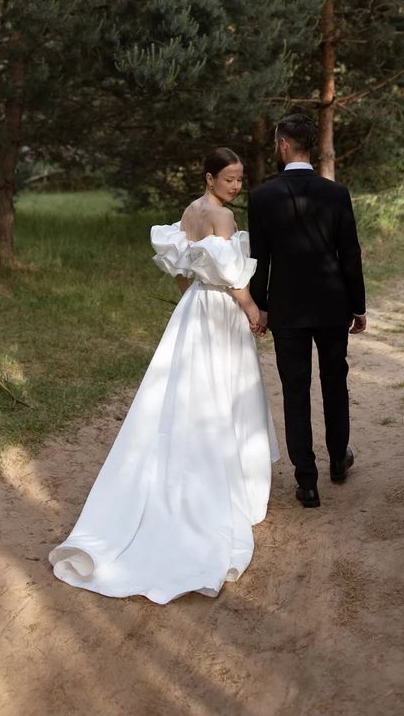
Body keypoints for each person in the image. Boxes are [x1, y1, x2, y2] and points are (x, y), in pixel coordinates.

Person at [49, 148, 279, 604]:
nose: (236, 187)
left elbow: (181, 268)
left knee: (190, 393)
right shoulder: (224, 219)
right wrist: (252, 309)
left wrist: (193, 295)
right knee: (225, 393)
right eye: (230, 179)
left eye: (239, 180)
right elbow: (235, 279)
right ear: (210, 177)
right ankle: (230, 487)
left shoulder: (190, 211)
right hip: (220, 312)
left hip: (194, 307)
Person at [247, 114, 366, 509]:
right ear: (308, 146)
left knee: (296, 391)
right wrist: (358, 306)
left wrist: (260, 307)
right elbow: (350, 255)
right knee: (335, 382)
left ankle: (307, 481)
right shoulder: (336, 193)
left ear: (283, 145)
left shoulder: (262, 197)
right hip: (332, 305)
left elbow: (259, 259)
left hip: (288, 308)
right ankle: (337, 459)